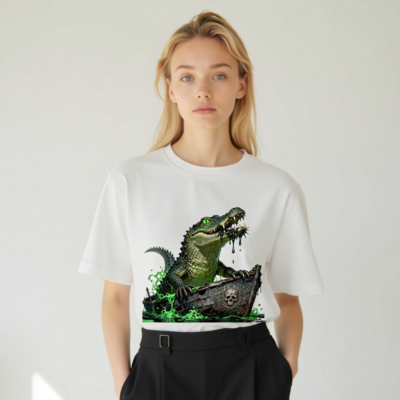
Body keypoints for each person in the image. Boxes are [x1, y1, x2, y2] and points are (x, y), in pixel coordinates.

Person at [78, 10, 324, 400]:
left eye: (219, 75)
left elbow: (288, 298)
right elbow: (115, 296)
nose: (203, 91)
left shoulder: (277, 188)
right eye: (187, 77)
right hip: (159, 369)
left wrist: (286, 368)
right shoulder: (129, 180)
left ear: (241, 85)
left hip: (250, 367)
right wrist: (123, 384)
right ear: (170, 88)